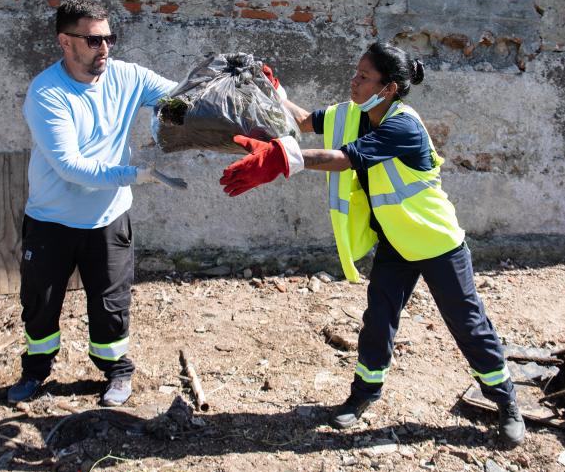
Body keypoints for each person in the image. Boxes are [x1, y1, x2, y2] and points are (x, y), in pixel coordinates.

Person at [219, 42, 526, 446]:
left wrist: (283, 159)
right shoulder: (351, 114)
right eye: (356, 72)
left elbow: (345, 158)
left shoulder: (403, 125)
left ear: (389, 89)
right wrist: (274, 91)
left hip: (437, 244)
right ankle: (363, 395)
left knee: (468, 325)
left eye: (364, 77)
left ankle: (506, 403)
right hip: (397, 243)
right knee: (378, 321)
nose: (354, 80)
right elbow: (305, 121)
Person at [8, 0, 179, 406]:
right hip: (52, 218)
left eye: (109, 39)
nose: (105, 49)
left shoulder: (127, 77)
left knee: (111, 303)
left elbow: (179, 97)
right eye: (94, 40)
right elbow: (71, 166)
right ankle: (36, 370)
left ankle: (117, 371)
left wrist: (225, 92)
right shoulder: (47, 93)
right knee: (40, 303)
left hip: (108, 219)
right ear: (65, 42)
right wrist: (134, 176)